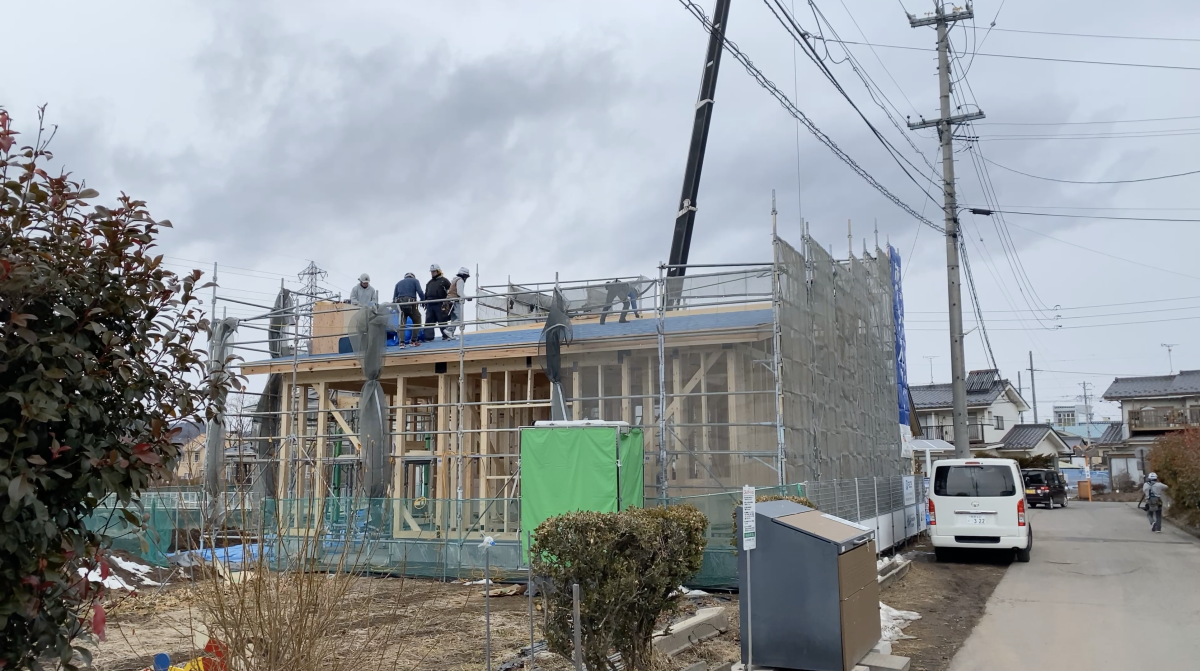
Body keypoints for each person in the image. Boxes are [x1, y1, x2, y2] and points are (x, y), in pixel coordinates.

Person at [392, 272, 425, 348]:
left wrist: (394, 308)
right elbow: (420, 291)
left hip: (400, 304)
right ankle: (413, 341)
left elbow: (394, 298)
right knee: (417, 319)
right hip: (411, 303)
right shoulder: (415, 281)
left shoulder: (398, 283)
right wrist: (423, 301)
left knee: (402, 323)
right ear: (412, 277)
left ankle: (402, 343)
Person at [423, 264, 452, 342]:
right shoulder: (429, 282)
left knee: (442, 320)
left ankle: (446, 336)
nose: (432, 273)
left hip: (440, 303)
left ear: (438, 271)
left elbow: (451, 290)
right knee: (429, 321)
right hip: (430, 304)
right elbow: (426, 293)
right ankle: (428, 338)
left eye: (434, 271)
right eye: (431, 272)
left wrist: (448, 301)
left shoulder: (444, 280)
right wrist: (424, 301)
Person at [443, 266, 472, 339]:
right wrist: (467, 298)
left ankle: (451, 334)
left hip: (450, 301)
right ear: (464, 275)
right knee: (459, 319)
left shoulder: (454, 280)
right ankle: (449, 330)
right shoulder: (460, 280)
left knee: (454, 319)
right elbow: (459, 292)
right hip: (455, 301)